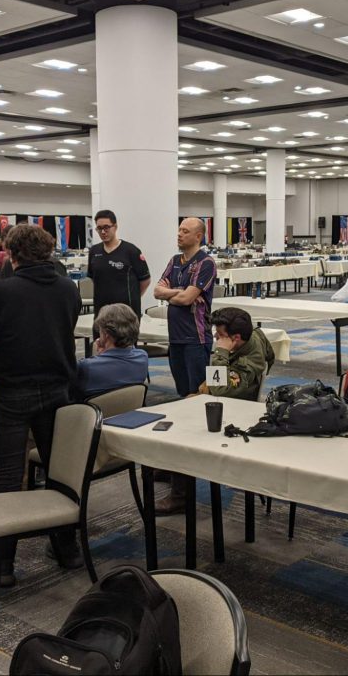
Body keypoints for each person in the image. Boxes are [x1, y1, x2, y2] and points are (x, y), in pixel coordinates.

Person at [0, 223, 82, 584]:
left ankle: (3, 564)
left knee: (8, 473)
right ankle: (67, 549)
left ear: (12, 256)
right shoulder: (69, 288)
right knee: (58, 471)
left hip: (12, 392)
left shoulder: (0, 291)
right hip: (58, 389)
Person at [152, 217, 216, 515]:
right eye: (178, 229)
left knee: (196, 401)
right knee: (182, 399)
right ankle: (177, 467)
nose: (179, 234)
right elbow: (157, 291)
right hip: (176, 340)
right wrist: (175, 294)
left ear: (199, 236)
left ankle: (186, 482)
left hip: (196, 340)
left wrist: (174, 293)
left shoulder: (205, 263)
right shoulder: (174, 261)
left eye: (185, 231)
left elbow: (190, 297)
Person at [87, 210, 151, 320]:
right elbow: (94, 278)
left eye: (106, 227)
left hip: (126, 314)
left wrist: (132, 297)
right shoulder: (94, 251)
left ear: (115, 227)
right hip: (101, 313)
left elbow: (145, 280)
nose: (103, 232)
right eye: (99, 228)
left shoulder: (131, 251)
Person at [202, 307, 275, 401]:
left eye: (221, 334)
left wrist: (220, 352)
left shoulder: (247, 363)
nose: (215, 336)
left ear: (236, 337)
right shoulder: (251, 332)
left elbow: (218, 390)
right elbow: (270, 356)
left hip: (231, 402)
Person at [76, 303, 149, 397]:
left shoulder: (86, 366)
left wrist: (99, 357)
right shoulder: (142, 358)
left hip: (95, 406)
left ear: (106, 335)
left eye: (100, 331)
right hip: (129, 406)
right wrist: (103, 355)